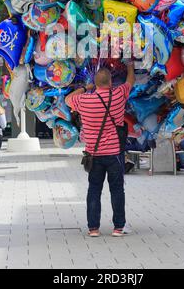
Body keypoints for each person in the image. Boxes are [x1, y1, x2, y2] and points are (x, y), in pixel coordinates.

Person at [65, 63, 135, 238]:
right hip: (114, 154)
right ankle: (118, 227)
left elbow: (68, 100)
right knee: (117, 190)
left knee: (94, 190)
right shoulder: (118, 95)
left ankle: (93, 228)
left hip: (93, 155)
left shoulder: (84, 100)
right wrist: (131, 67)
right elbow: (130, 82)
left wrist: (85, 88)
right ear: (111, 82)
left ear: (95, 83)